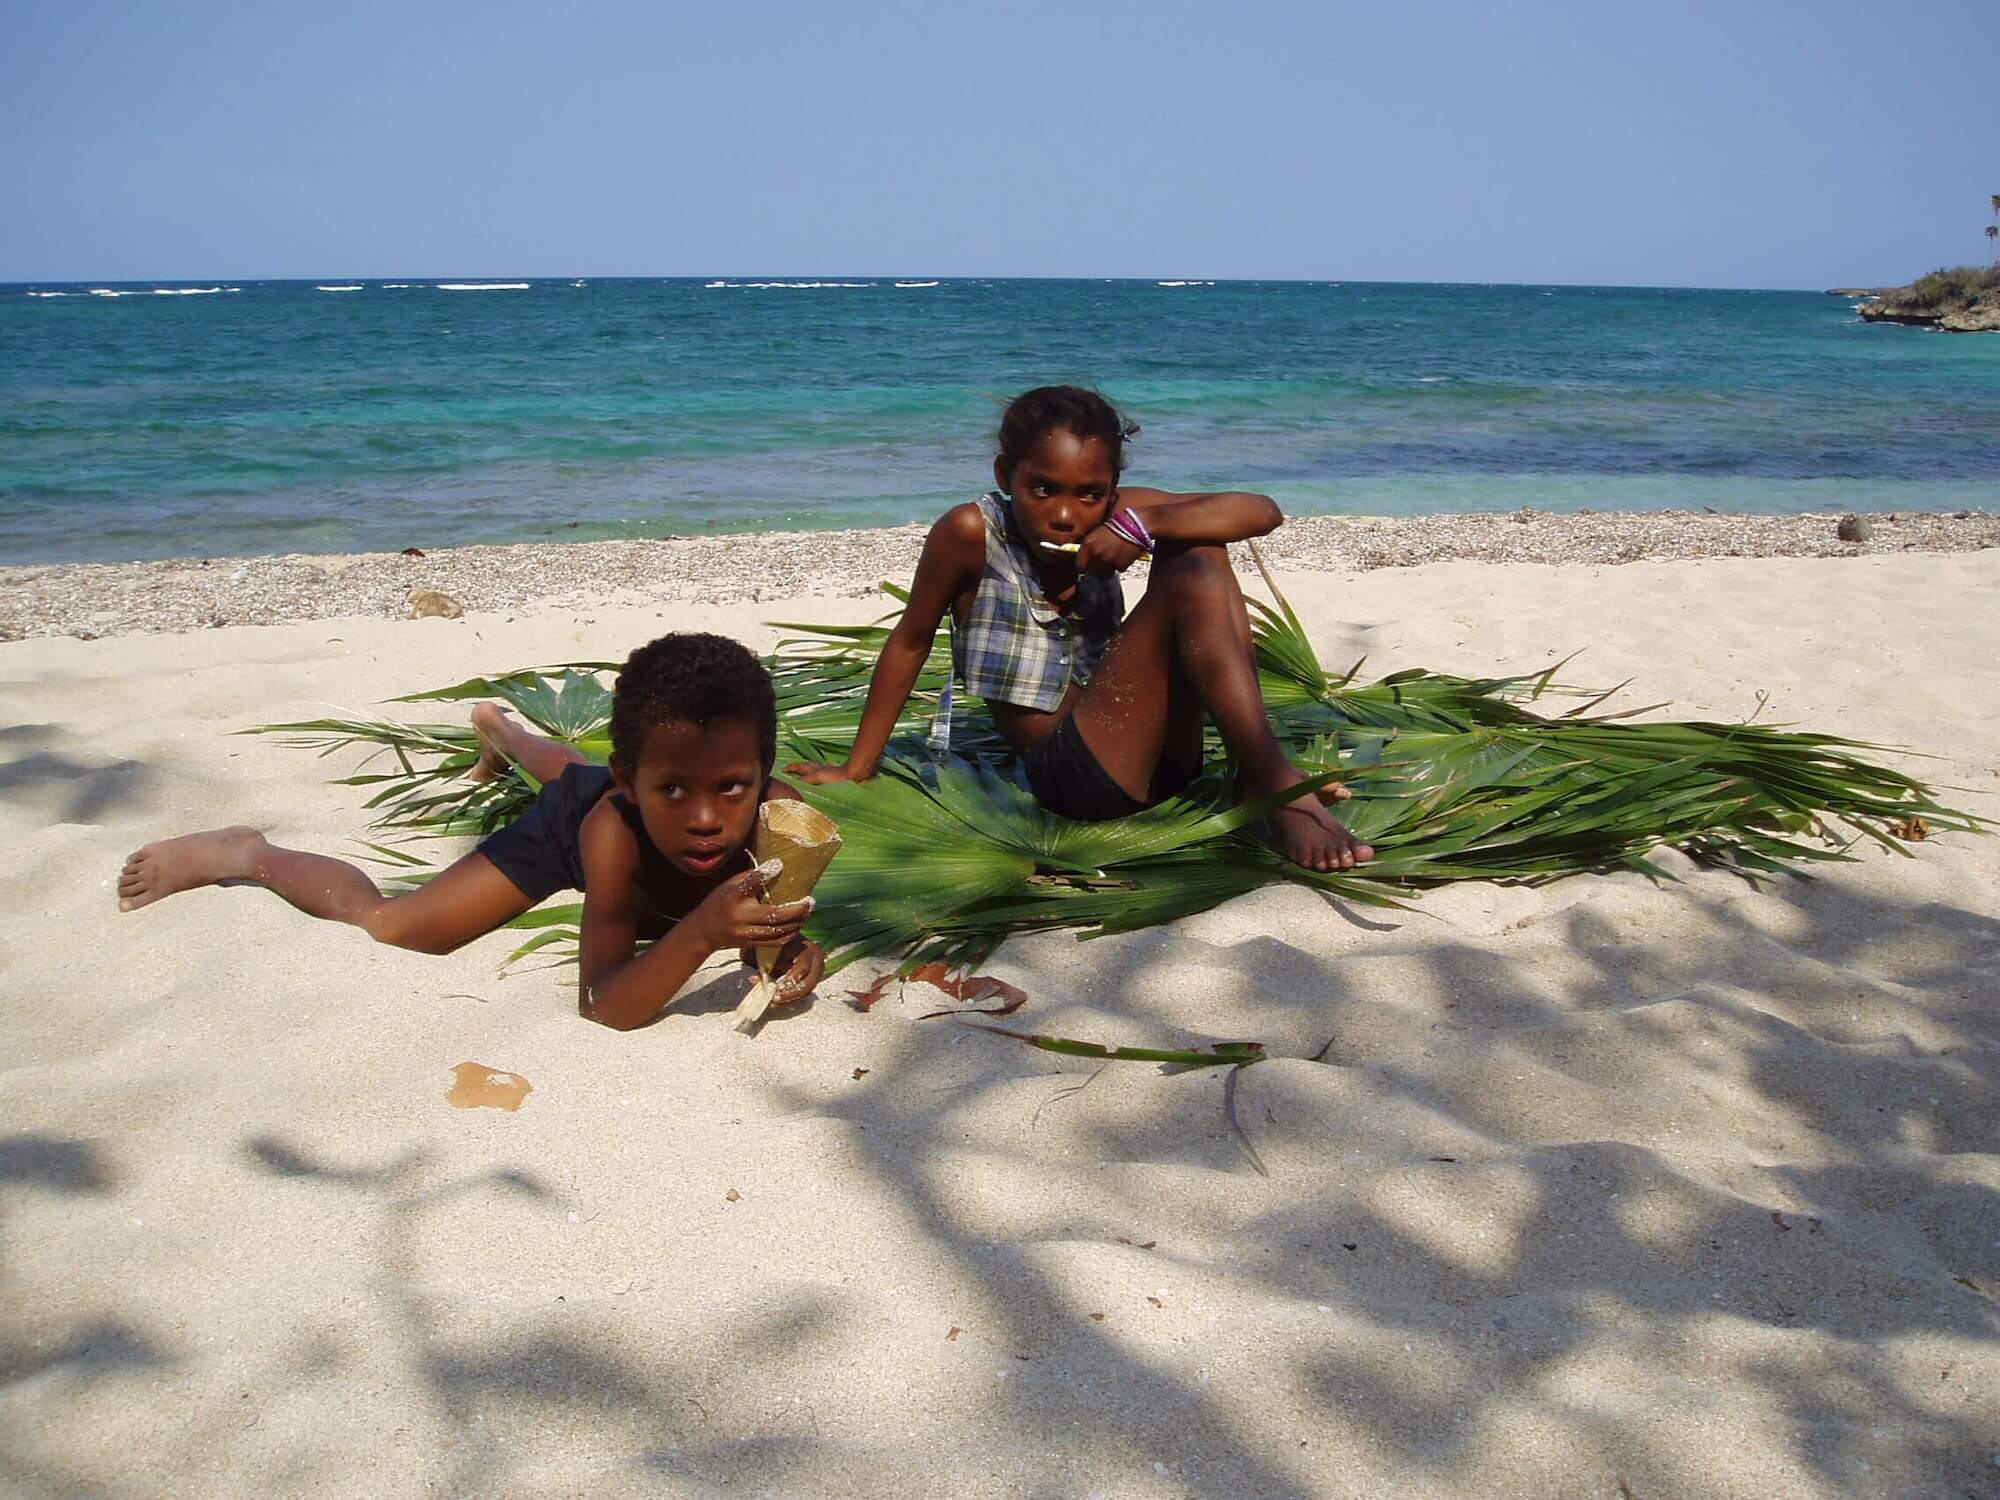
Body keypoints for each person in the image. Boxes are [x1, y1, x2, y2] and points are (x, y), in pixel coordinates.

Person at [786, 385, 1374, 872]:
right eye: (1042, 489)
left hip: (1165, 759)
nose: (1066, 513)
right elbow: (910, 641)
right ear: (1006, 475)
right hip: (1073, 778)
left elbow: (1262, 511)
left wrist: (1140, 525)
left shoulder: (1119, 514)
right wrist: (856, 768)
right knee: (1195, 568)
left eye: (1090, 495)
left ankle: (1260, 774)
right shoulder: (970, 532)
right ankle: (1275, 782)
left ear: (1111, 489)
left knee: (1198, 551)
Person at [116, 632, 827, 1030]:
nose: (706, 818)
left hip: (605, 784)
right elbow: (602, 1003)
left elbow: (776, 930)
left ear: (763, 773)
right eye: (672, 789)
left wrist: (786, 954)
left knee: (571, 767)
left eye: (732, 785)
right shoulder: (611, 826)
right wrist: (703, 933)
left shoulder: (778, 820)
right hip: (573, 828)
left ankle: (500, 727)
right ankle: (251, 851)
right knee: (398, 926)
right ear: (632, 784)